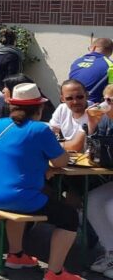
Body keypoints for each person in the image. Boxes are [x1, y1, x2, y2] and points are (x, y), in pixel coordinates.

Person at [0, 84, 79, 280]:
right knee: (69, 216)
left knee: (21, 204)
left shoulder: (0, 124)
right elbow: (61, 161)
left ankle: (16, 255)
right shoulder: (39, 130)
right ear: (39, 108)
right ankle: (55, 272)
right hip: (14, 196)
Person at [84, 84, 113, 278]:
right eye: (106, 99)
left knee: (111, 206)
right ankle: (110, 252)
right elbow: (92, 155)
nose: (106, 104)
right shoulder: (103, 120)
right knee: (92, 200)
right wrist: (92, 126)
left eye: (111, 100)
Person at [48, 79, 91, 153]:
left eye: (79, 97)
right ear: (62, 99)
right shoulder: (62, 108)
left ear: (87, 95)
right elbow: (51, 131)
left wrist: (48, 145)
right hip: (69, 157)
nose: (75, 102)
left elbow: (76, 146)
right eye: (69, 98)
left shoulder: (94, 112)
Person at [70, 38, 113, 104]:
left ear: (94, 48)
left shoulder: (77, 61)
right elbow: (111, 89)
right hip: (93, 107)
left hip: (71, 103)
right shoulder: (110, 65)